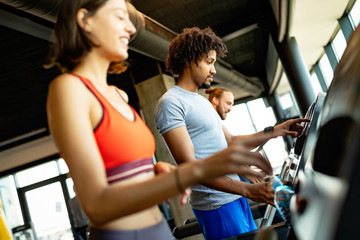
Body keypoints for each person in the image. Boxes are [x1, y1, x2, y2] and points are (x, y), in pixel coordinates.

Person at [45, 1, 278, 240]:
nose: (131, 29)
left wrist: (154, 172)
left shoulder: (118, 95)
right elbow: (96, 204)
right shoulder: (69, 90)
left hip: (158, 230)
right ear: (86, 20)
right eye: (119, 17)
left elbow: (123, 173)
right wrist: (191, 173)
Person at [155, 27, 309, 240]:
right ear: (191, 60)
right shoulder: (171, 103)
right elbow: (189, 166)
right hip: (216, 204)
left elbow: (231, 141)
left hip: (235, 196)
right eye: (209, 62)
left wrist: (275, 131)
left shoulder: (200, 101)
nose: (214, 70)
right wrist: (249, 190)